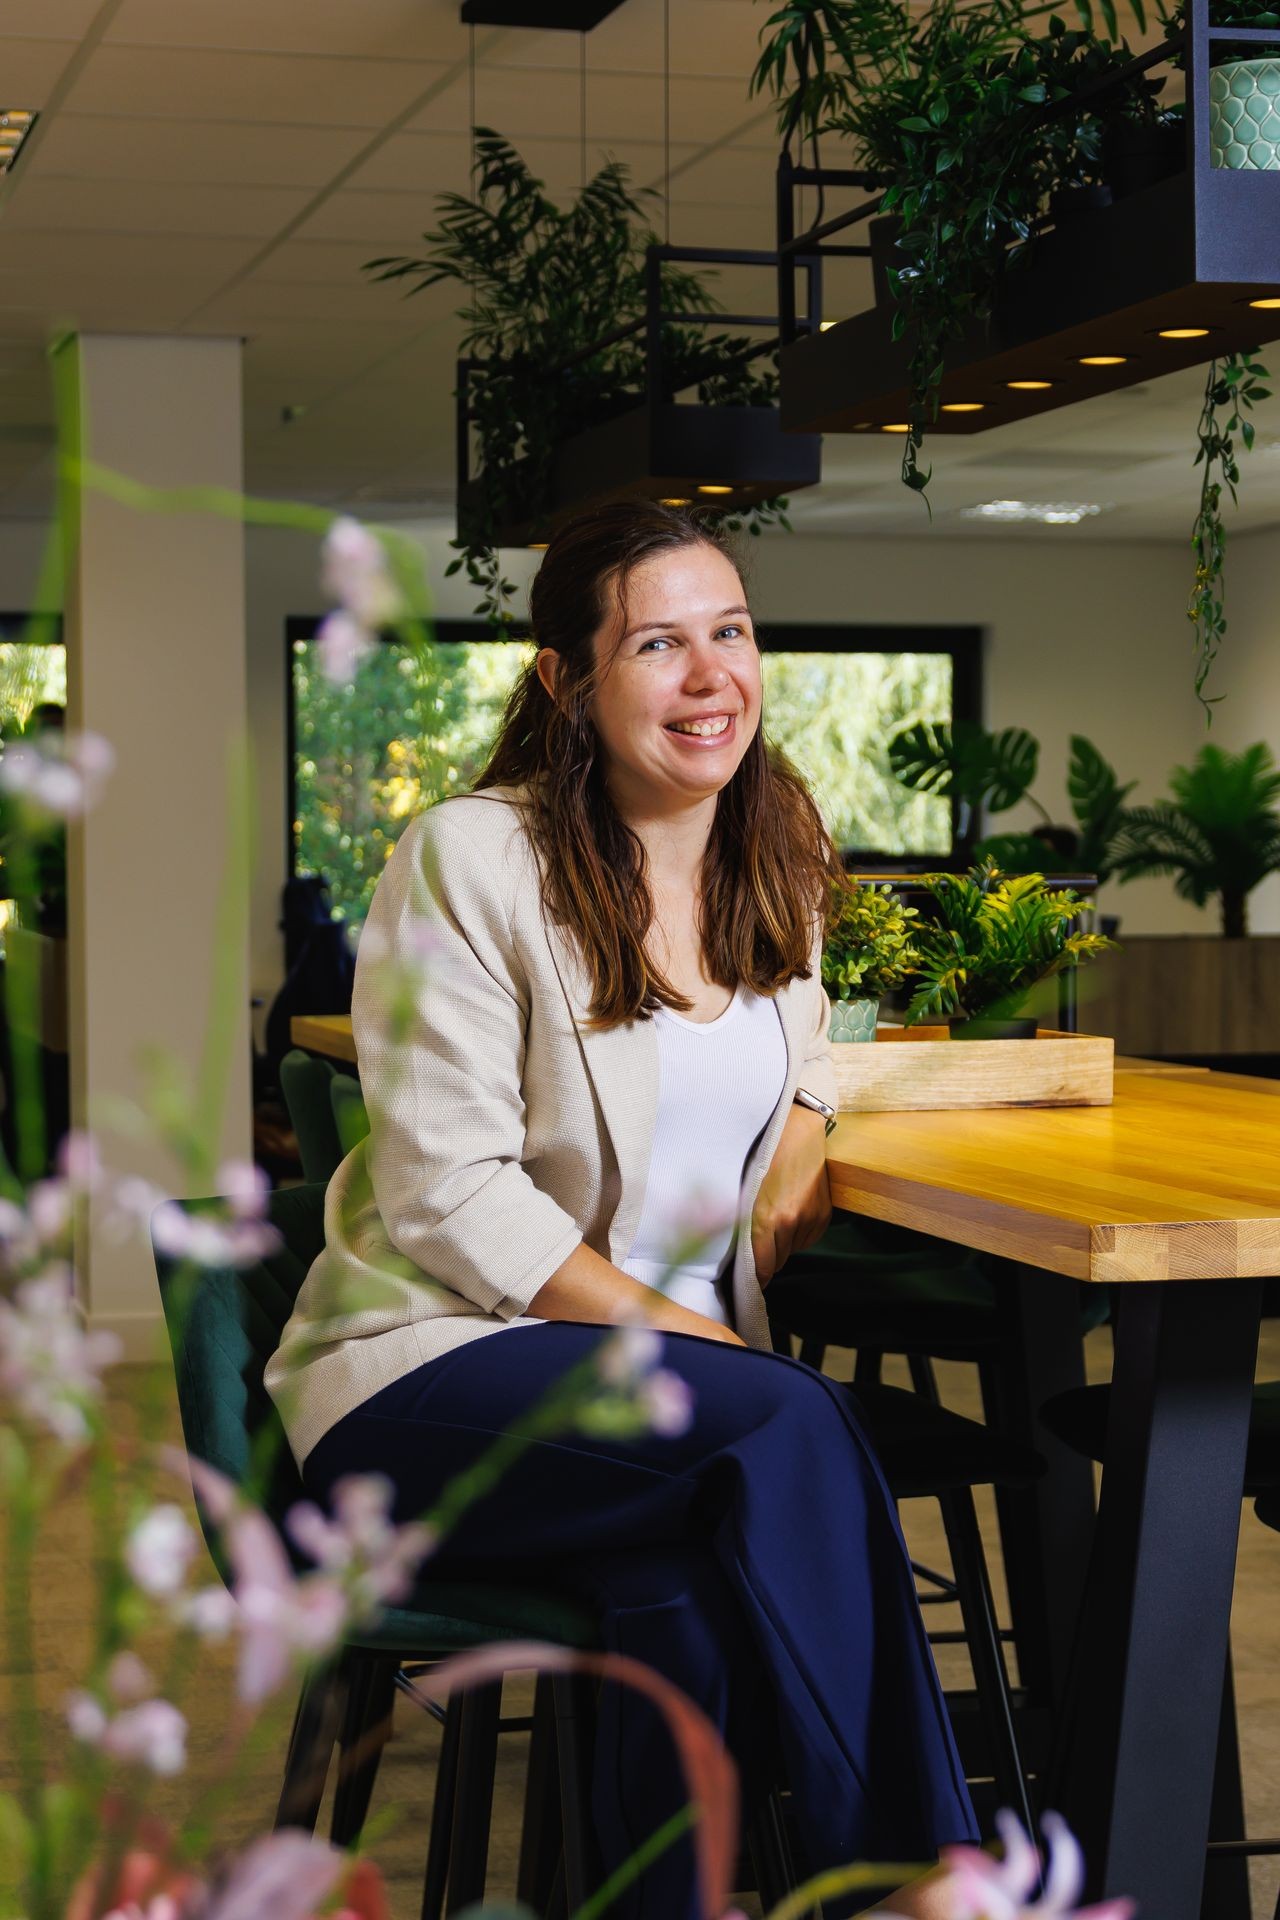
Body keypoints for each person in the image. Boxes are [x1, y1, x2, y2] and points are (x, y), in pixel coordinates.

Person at [266, 503, 977, 1917]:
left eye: (732, 632)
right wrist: (677, 1334)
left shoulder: (772, 854)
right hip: (435, 1371)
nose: (712, 676)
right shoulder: (473, 857)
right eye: (658, 644)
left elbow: (817, 1038)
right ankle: (919, 1881)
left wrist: (813, 1121)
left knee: (681, 1588)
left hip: (666, 1414)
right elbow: (448, 1192)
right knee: (791, 1421)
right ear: (567, 680)